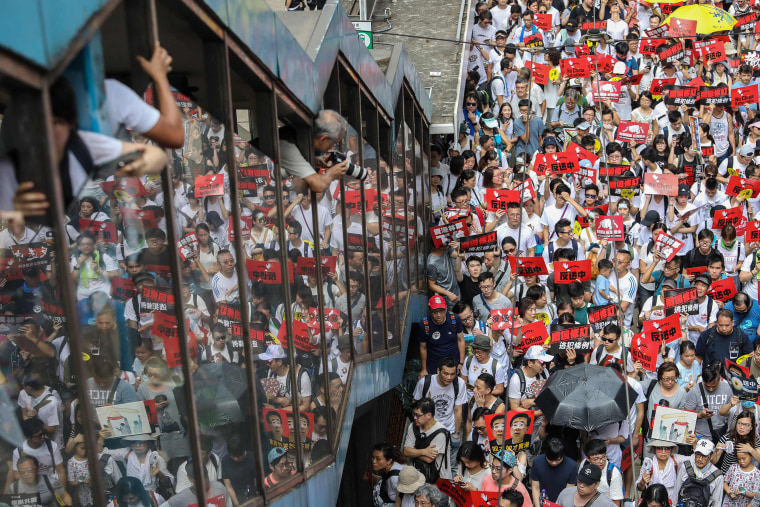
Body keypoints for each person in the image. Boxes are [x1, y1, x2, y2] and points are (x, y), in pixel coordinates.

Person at [279, 109, 349, 193]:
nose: (332, 147)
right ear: (323, 139)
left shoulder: (300, 139)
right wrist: (331, 174)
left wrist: (310, 160)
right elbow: (318, 186)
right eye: (334, 143)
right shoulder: (287, 144)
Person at [403, 398, 452, 481]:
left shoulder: (441, 433)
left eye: (418, 415)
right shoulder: (413, 426)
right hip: (418, 476)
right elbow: (406, 451)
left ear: (429, 415)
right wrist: (424, 451)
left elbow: (429, 459)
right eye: (414, 414)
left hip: (439, 480)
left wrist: (413, 451)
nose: (415, 418)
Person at [418, 296, 465, 378]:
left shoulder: (454, 319)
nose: (438, 315)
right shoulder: (424, 324)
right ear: (429, 310)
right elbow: (423, 347)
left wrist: (461, 363)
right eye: (435, 312)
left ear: (446, 308)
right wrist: (424, 369)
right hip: (434, 366)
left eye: (441, 311)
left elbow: (461, 340)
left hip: (453, 364)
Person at [685, 363, 733, 442]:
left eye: (714, 386)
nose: (710, 389)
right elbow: (686, 416)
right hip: (700, 436)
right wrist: (701, 415)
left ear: (718, 379)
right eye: (707, 386)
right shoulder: (694, 391)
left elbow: (731, 413)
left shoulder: (727, 388)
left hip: (721, 434)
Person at [673, 439, 723, 507]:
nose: (700, 459)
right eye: (697, 454)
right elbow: (676, 492)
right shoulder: (685, 466)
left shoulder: (718, 476)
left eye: (704, 456)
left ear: (711, 456)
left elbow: (717, 502)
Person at [530, 438, 578, 505]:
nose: (554, 463)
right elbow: (535, 487)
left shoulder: (572, 466)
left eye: (558, 460)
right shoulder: (537, 462)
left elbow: (568, 492)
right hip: (542, 500)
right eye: (550, 459)